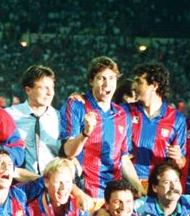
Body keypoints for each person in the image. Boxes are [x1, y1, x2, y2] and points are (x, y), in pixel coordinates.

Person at [59, 57, 143, 199]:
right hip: (84, 192)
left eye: (111, 78)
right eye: (101, 78)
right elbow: (68, 151)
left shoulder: (122, 114)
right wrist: (85, 133)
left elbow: (124, 159)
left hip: (113, 194)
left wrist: (139, 188)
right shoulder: (76, 105)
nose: (107, 84)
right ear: (91, 81)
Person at [128, 62, 187, 189]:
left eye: (139, 82)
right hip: (130, 184)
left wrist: (177, 158)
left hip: (158, 187)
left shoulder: (177, 119)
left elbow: (181, 162)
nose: (134, 86)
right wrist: (80, 98)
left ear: (154, 85)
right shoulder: (126, 112)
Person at [7, 65, 60, 179]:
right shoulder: (9, 115)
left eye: (51, 87)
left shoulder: (60, 118)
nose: (50, 93)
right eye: (44, 88)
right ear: (28, 90)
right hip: (19, 183)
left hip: (51, 185)